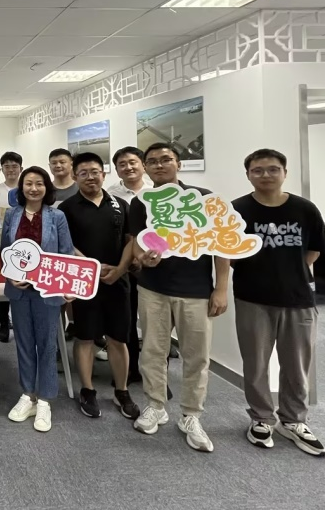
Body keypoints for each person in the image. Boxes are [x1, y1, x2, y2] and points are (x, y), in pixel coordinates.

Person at [129, 143, 228, 453]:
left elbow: (220, 245)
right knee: (153, 352)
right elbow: (135, 242)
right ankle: (155, 405)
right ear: (146, 168)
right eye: (153, 162)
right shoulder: (141, 202)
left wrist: (221, 288)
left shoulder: (202, 198)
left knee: (196, 356)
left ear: (179, 164)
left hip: (196, 291)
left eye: (166, 160)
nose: (159, 165)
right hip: (153, 289)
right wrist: (143, 258)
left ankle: (191, 415)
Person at [231, 149, 325, 456]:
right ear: (248, 175)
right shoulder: (237, 210)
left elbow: (314, 251)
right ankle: (261, 418)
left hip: (298, 298)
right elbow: (229, 253)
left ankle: (294, 420)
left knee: (296, 365)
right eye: (258, 170)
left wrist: (290, 273)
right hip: (252, 298)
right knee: (256, 364)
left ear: (285, 173)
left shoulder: (304, 209)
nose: (265, 175)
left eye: (273, 169)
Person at [57, 153, 140, 421]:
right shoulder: (67, 208)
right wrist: (91, 267)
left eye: (95, 172)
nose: (90, 177)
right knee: (85, 337)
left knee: (118, 338)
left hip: (118, 280)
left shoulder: (120, 204)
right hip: (83, 280)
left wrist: (119, 270)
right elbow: (65, 244)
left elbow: (131, 240)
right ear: (75, 177)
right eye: (83, 173)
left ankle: (121, 391)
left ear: (103, 174)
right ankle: (88, 390)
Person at [2, 166, 73, 433]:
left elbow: (66, 253)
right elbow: (5, 251)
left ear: (47, 188)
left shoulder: (57, 216)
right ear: (21, 188)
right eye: (29, 183)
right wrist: (10, 276)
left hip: (48, 291)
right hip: (19, 291)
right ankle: (27, 395)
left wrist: (66, 286)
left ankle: (44, 400)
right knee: (23, 343)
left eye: (39, 183)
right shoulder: (12, 214)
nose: (34, 188)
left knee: (46, 344)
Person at [107, 146, 149, 385]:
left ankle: (156, 376)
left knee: (155, 324)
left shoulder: (157, 192)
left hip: (154, 267)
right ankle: (129, 369)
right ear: (116, 169)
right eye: (122, 164)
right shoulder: (111, 195)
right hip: (123, 266)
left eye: (133, 162)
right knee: (127, 320)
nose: (128, 167)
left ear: (143, 165)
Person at [0, 152, 23, 343]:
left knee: (22, 283)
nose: (11, 170)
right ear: (1, 169)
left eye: (14, 166)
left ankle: (20, 321)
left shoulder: (27, 186)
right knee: (2, 284)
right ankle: (4, 321)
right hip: (0, 243)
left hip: (26, 246)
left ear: (21, 168)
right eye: (7, 166)